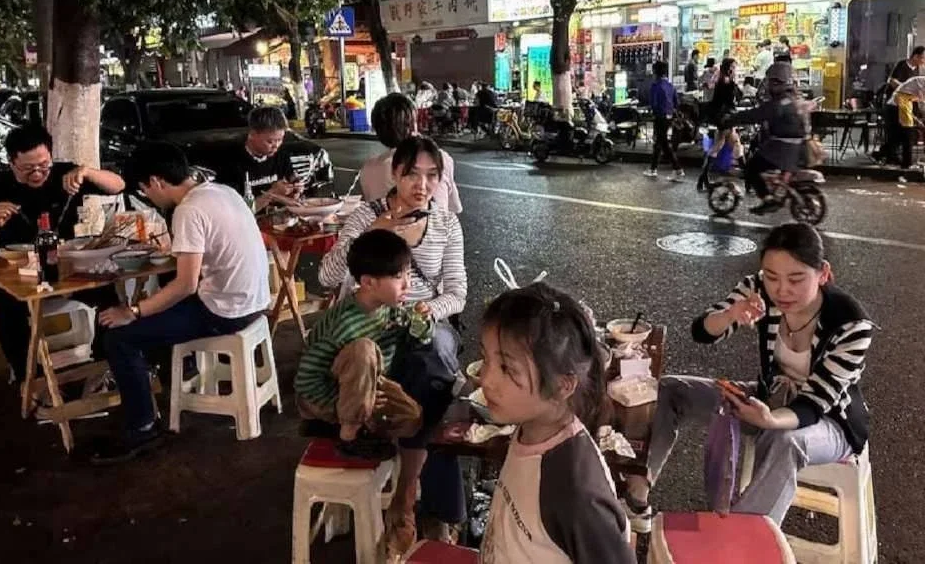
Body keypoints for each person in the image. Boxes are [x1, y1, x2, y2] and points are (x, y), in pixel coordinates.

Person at [622, 223, 874, 533]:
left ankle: (741, 542)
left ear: (822, 273)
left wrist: (771, 419)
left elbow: (815, 403)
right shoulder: (759, 290)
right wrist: (731, 314)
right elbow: (701, 332)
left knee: (785, 439)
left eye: (796, 279)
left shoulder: (851, 323)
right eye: (772, 277)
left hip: (831, 421)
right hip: (768, 399)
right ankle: (636, 495)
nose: (781, 290)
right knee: (670, 389)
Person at [321, 135, 467, 556]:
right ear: (395, 174)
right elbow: (329, 278)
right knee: (434, 383)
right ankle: (428, 509)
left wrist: (428, 310)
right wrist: (373, 231)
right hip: (371, 324)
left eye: (432, 176)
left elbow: (457, 292)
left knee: (435, 364)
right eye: (412, 175)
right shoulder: (366, 214)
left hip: (426, 322)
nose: (422, 185)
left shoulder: (445, 223)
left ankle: (406, 499)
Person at [93, 141, 270, 463]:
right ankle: (162, 400)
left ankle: (142, 428)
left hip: (226, 312)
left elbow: (186, 285)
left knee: (120, 338)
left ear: (156, 181)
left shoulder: (188, 209)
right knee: (156, 316)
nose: (150, 197)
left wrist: (132, 311)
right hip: (255, 301)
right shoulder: (222, 191)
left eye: (146, 190)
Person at [478, 283, 633, 564]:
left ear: (563, 386)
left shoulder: (574, 492)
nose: (485, 379)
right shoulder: (530, 429)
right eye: (485, 359)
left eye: (506, 369)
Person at [0, 123, 126, 379]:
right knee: (5, 309)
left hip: (69, 267)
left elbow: (118, 185)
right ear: (12, 162)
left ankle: (103, 368)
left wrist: (88, 172)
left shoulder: (64, 175)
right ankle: (30, 380)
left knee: (108, 294)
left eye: (44, 165)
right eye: (28, 168)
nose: (38, 173)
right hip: (21, 274)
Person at [295, 229, 423, 455]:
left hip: (366, 388)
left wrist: (422, 322)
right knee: (363, 350)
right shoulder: (344, 323)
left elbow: (417, 333)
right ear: (368, 283)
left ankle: (350, 425)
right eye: (397, 277)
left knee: (412, 417)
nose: (407, 284)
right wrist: (341, 403)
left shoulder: (389, 307)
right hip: (324, 393)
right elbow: (306, 379)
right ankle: (349, 437)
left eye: (408, 274)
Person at [360, 93, 462, 213]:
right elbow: (454, 209)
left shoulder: (368, 169)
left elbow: (370, 209)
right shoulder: (440, 158)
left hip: (383, 229)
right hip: (436, 230)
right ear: (412, 126)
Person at [742, 62, 807, 215]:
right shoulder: (793, 99)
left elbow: (755, 115)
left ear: (778, 83)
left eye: (771, 81)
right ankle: (776, 189)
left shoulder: (779, 104)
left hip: (782, 149)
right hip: (795, 147)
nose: (768, 85)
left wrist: (730, 119)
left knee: (751, 167)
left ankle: (767, 199)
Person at [215, 106, 303, 210]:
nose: (276, 146)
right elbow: (236, 213)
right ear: (252, 134)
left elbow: (291, 179)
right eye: (270, 141)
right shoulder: (230, 162)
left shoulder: (281, 154)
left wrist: (295, 189)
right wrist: (271, 193)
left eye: (280, 140)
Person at [644, 61, 685, 181]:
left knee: (664, 144)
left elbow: (654, 104)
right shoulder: (670, 85)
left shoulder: (655, 86)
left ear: (655, 72)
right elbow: (676, 102)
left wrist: (653, 112)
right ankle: (653, 168)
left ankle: (678, 169)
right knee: (659, 142)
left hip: (660, 117)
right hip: (669, 116)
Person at [883, 75, 925, 169]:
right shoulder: (921, 83)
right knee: (907, 134)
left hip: (901, 103)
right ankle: (906, 163)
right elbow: (922, 105)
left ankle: (896, 159)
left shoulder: (918, 81)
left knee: (900, 136)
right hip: (897, 104)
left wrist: (917, 119)